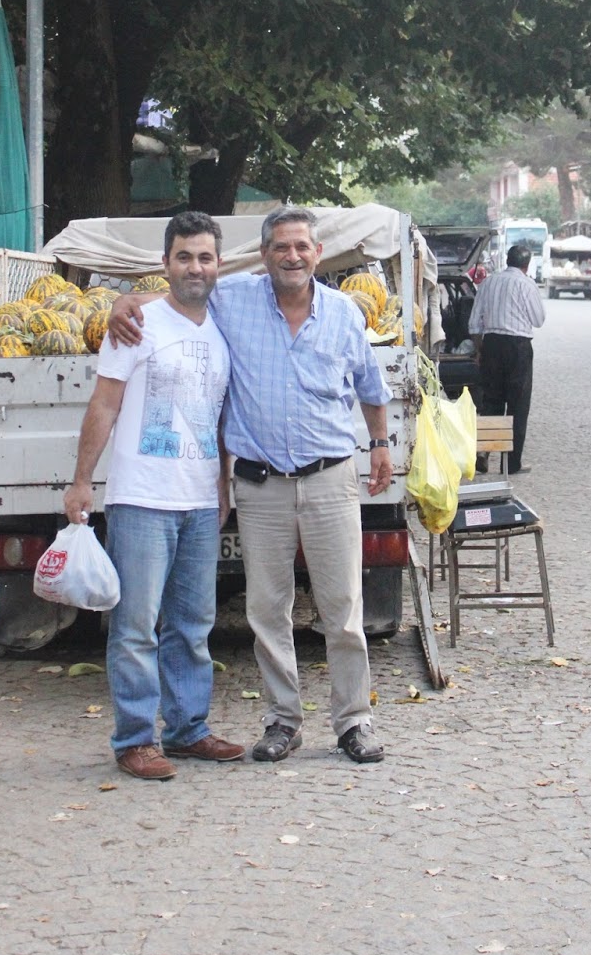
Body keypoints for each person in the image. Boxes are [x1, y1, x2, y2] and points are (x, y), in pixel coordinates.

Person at [108, 205, 392, 767]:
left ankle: (353, 722)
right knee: (268, 611)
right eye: (281, 247)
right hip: (260, 486)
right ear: (264, 255)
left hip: (331, 478)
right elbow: (178, 294)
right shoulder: (232, 300)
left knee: (342, 609)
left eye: (302, 247)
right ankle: (283, 722)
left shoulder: (343, 313)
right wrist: (122, 301)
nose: (292, 256)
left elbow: (370, 385)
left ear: (318, 254)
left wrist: (381, 443)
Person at [63, 212, 243, 782]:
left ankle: (188, 730)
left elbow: (217, 419)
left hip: (198, 501)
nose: (196, 267)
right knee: (136, 627)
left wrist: (223, 486)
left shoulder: (223, 327)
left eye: (206, 257)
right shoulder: (136, 324)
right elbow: (105, 404)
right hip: (141, 499)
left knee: (192, 624)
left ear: (219, 264)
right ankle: (135, 739)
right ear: (165, 263)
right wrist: (81, 480)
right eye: (185, 256)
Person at [468, 243, 546, 476]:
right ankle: (511, 464)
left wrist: (481, 349)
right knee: (517, 405)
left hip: (491, 344)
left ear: (507, 260)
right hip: (518, 347)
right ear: (526, 264)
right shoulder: (527, 284)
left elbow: (474, 323)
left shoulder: (488, 282)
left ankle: (484, 453)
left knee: (491, 401)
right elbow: (538, 319)